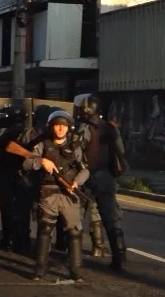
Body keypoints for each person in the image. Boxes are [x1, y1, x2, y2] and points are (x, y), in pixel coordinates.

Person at [22, 110, 90, 281]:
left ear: (69, 128)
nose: (60, 129)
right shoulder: (42, 144)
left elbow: (85, 170)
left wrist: (76, 183)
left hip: (69, 194)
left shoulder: (75, 146)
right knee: (45, 230)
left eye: (64, 126)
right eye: (57, 126)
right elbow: (27, 163)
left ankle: (76, 270)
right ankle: (39, 269)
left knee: (74, 232)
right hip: (48, 192)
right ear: (51, 127)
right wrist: (41, 161)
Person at [74, 94, 128, 271]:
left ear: (88, 110)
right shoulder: (111, 128)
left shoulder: (84, 128)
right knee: (112, 219)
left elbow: (76, 153)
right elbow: (121, 150)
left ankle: (74, 258)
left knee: (76, 216)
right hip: (107, 177)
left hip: (87, 176)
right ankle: (120, 260)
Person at [0, 102, 37, 253]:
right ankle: (23, 242)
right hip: (27, 178)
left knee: (7, 210)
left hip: (8, 176)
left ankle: (8, 240)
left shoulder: (7, 134)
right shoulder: (35, 134)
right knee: (24, 211)